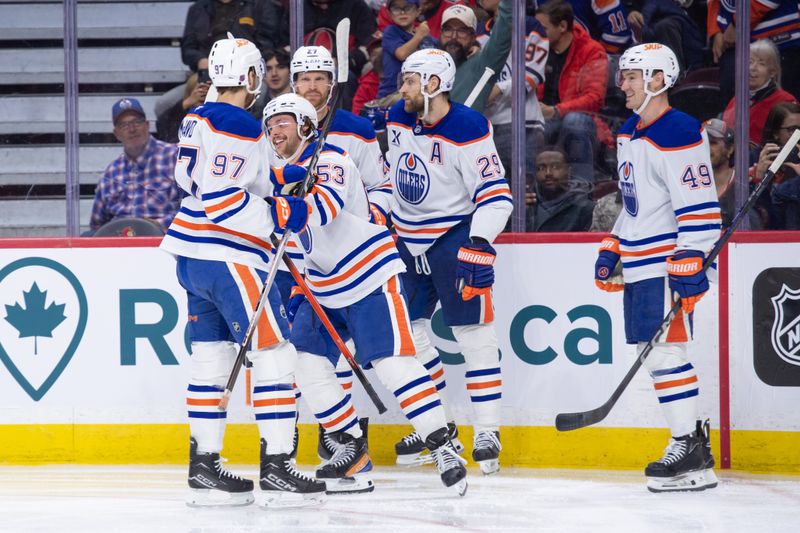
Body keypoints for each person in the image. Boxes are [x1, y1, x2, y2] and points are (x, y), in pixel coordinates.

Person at [263, 92, 468, 496]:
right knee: (304, 364)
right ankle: (350, 447)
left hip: (368, 275)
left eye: (282, 122)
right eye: (269, 125)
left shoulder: (333, 160)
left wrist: (280, 202)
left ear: (306, 126)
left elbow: (322, 210)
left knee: (394, 365)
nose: (273, 130)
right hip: (320, 285)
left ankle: (443, 446)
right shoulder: (278, 172)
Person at [159, 37, 326, 508]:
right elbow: (224, 199)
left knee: (210, 359)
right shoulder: (236, 121)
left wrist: (280, 180)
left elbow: (206, 181)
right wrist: (280, 214)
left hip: (192, 255)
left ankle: (205, 465)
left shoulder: (199, 115)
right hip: (227, 254)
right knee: (274, 353)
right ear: (251, 77)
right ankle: (277, 466)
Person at [595, 43, 720, 493]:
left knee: (667, 354)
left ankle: (688, 447)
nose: (621, 83)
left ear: (657, 80)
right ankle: (693, 448)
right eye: (622, 75)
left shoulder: (680, 131)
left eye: (631, 76)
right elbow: (636, 204)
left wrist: (691, 258)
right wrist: (615, 242)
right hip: (640, 261)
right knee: (652, 354)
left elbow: (701, 208)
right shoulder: (630, 130)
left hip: (667, 262)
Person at [385, 49, 513, 475]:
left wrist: (479, 241)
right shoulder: (398, 119)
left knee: (473, 332)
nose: (401, 88)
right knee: (410, 335)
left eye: (409, 81)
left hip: (452, 237)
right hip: (406, 239)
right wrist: (378, 207)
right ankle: (439, 429)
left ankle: (488, 432)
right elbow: (395, 177)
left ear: (434, 84)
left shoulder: (469, 128)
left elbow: (496, 194)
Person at [479, 0, 548, 200]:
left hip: (524, 124)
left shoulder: (529, 26)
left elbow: (531, 76)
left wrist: (498, 89)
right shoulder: (477, 33)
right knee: (494, 196)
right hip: (488, 126)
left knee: (526, 197)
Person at [535, 1, 610, 187]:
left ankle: (582, 191)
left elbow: (594, 99)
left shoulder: (591, 50)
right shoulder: (538, 50)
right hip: (544, 119)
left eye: (543, 28)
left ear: (562, 26)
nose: (537, 34)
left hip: (584, 121)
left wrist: (556, 110)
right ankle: (527, 194)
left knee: (574, 122)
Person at [90, 98, 181, 234]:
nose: (132, 129)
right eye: (124, 125)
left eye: (136, 122)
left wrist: (158, 226)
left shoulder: (175, 157)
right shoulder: (111, 172)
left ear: (147, 125)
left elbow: (194, 209)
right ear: (116, 134)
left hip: (165, 242)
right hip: (121, 247)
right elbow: (97, 226)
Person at [441, 2, 513, 114]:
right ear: (441, 34)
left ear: (473, 37)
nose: (454, 37)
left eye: (462, 31)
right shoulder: (426, 66)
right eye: (448, 29)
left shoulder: (482, 66)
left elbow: (506, 23)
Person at [722, 39, 796, 147]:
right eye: (750, 62)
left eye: (761, 63)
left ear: (772, 72)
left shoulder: (785, 101)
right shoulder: (736, 100)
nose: (752, 68)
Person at [705, 118, 762, 230]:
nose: (706, 147)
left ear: (730, 149)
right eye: (702, 142)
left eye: (713, 143)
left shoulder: (745, 183)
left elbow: (754, 232)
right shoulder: (687, 184)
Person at [379, 0, 438, 98]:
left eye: (408, 8)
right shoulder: (390, 32)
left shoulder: (426, 38)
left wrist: (472, 48)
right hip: (392, 93)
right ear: (389, 13)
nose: (402, 12)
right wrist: (419, 35)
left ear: (418, 11)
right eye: (396, 9)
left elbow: (443, 50)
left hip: (419, 92)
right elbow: (401, 54)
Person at [528, 146, 594, 232]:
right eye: (541, 168)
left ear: (568, 171)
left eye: (555, 167)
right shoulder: (524, 205)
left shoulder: (584, 209)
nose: (548, 173)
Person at [756, 102, 800, 229]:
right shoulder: (757, 157)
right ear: (775, 133)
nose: (798, 136)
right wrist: (759, 178)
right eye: (792, 130)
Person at [250, 48, 293, 119]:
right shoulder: (254, 108)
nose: (274, 73)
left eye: (280, 67)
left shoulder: (301, 102)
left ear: (290, 71)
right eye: (268, 69)